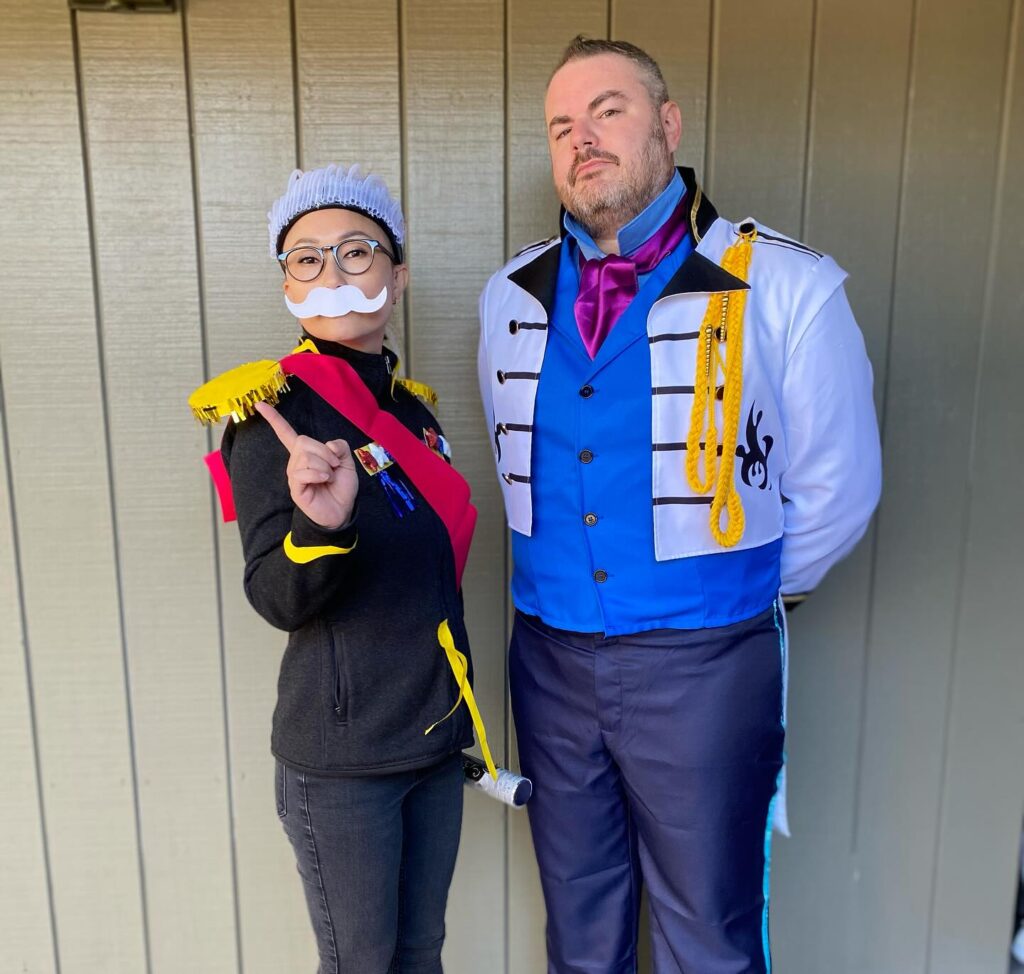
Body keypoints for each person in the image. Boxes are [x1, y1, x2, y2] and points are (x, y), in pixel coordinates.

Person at [477, 36, 882, 973]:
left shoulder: (788, 285)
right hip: (546, 659)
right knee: (579, 933)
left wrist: (728, 591)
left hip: (706, 668)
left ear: (667, 125)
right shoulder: (509, 295)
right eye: (561, 127)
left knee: (710, 934)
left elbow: (839, 488)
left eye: (607, 112)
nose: (583, 140)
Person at [199, 164, 482, 974]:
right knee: (362, 962)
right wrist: (323, 528)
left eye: (356, 252)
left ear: (398, 275)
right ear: (286, 279)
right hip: (344, 762)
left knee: (420, 952)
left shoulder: (413, 412)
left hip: (430, 739)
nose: (331, 272)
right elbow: (275, 596)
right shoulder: (266, 417)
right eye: (305, 257)